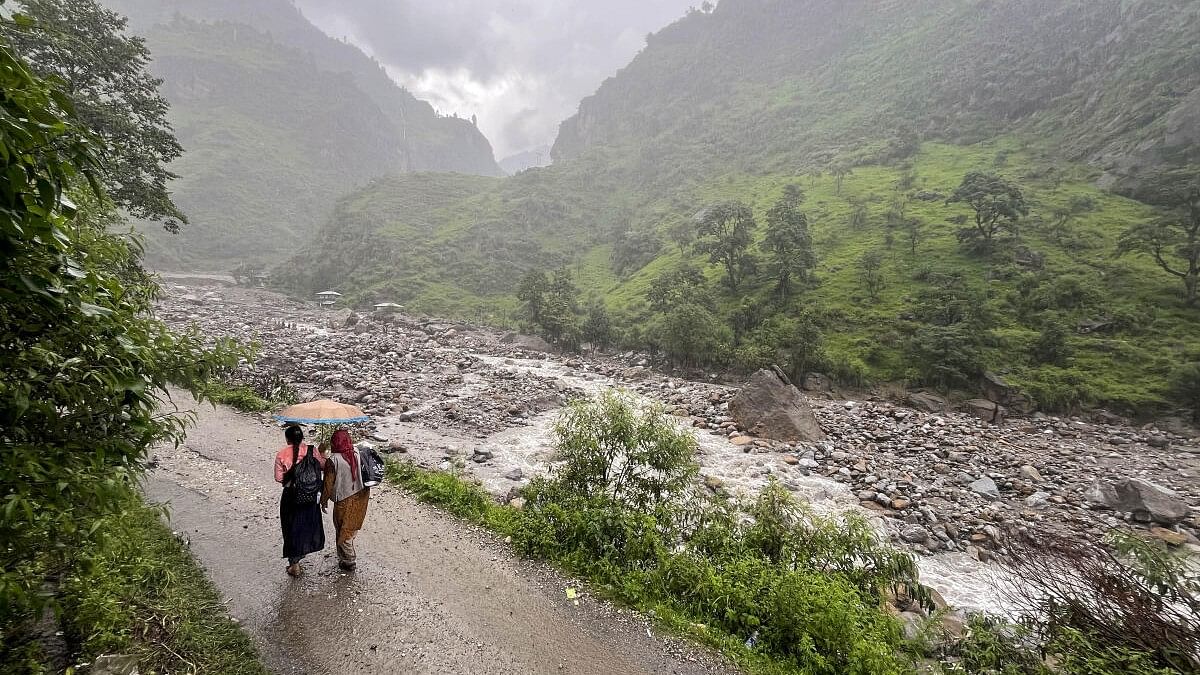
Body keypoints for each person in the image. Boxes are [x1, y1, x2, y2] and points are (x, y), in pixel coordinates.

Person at [275, 425, 325, 576]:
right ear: (302, 437)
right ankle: (302, 552)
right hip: (310, 496)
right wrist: (321, 453)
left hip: (291, 496)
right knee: (305, 526)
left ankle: (294, 564)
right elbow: (322, 466)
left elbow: (278, 478)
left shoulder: (282, 454)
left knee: (290, 528)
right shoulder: (312, 450)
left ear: (287, 439)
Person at [322, 429, 370, 571]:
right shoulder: (356, 452)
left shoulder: (333, 460)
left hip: (343, 499)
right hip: (361, 497)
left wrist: (323, 500)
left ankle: (349, 560)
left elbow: (328, 484)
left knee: (343, 529)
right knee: (352, 526)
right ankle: (344, 556)